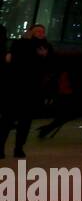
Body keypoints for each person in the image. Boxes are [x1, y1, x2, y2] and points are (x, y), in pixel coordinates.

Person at [1, 25, 54, 160]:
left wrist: (44, 57)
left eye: (42, 31)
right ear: (31, 32)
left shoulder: (47, 47)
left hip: (32, 89)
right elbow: (15, 61)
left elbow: (50, 67)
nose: (41, 34)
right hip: (16, 87)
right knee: (8, 118)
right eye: (38, 31)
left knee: (25, 120)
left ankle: (19, 147)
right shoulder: (21, 44)